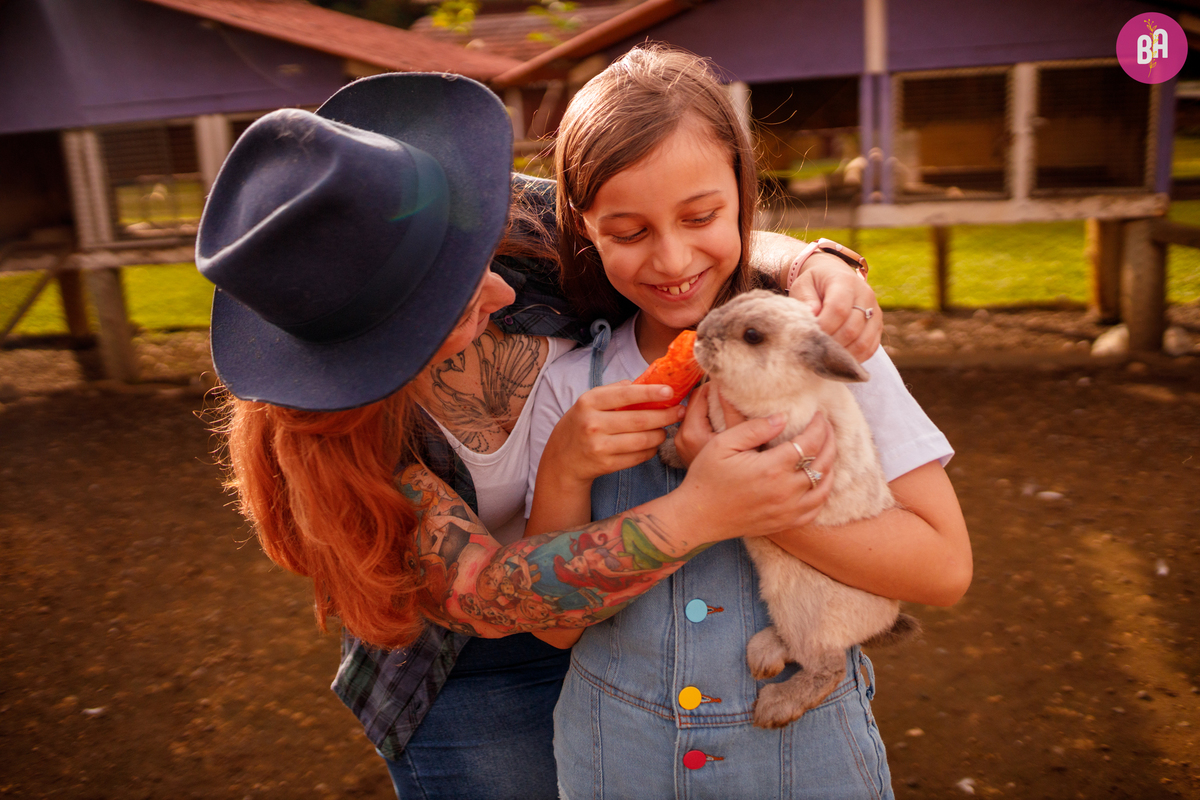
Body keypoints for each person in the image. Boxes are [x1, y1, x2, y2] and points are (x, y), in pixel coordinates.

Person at [199, 71, 886, 800]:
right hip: (476, 671)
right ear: (374, 349)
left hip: (633, 635)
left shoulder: (509, 215)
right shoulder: (340, 450)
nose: (499, 290)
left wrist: (809, 260)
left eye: (480, 263)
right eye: (456, 305)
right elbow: (495, 595)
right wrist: (697, 511)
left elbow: (661, 216)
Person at [524, 45, 972, 799]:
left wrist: (758, 512)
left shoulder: (829, 350)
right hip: (615, 761)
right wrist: (565, 467)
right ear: (585, 229)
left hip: (806, 761)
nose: (672, 258)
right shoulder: (568, 385)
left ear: (742, 195)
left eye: (701, 216)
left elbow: (944, 570)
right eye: (628, 232)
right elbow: (552, 625)